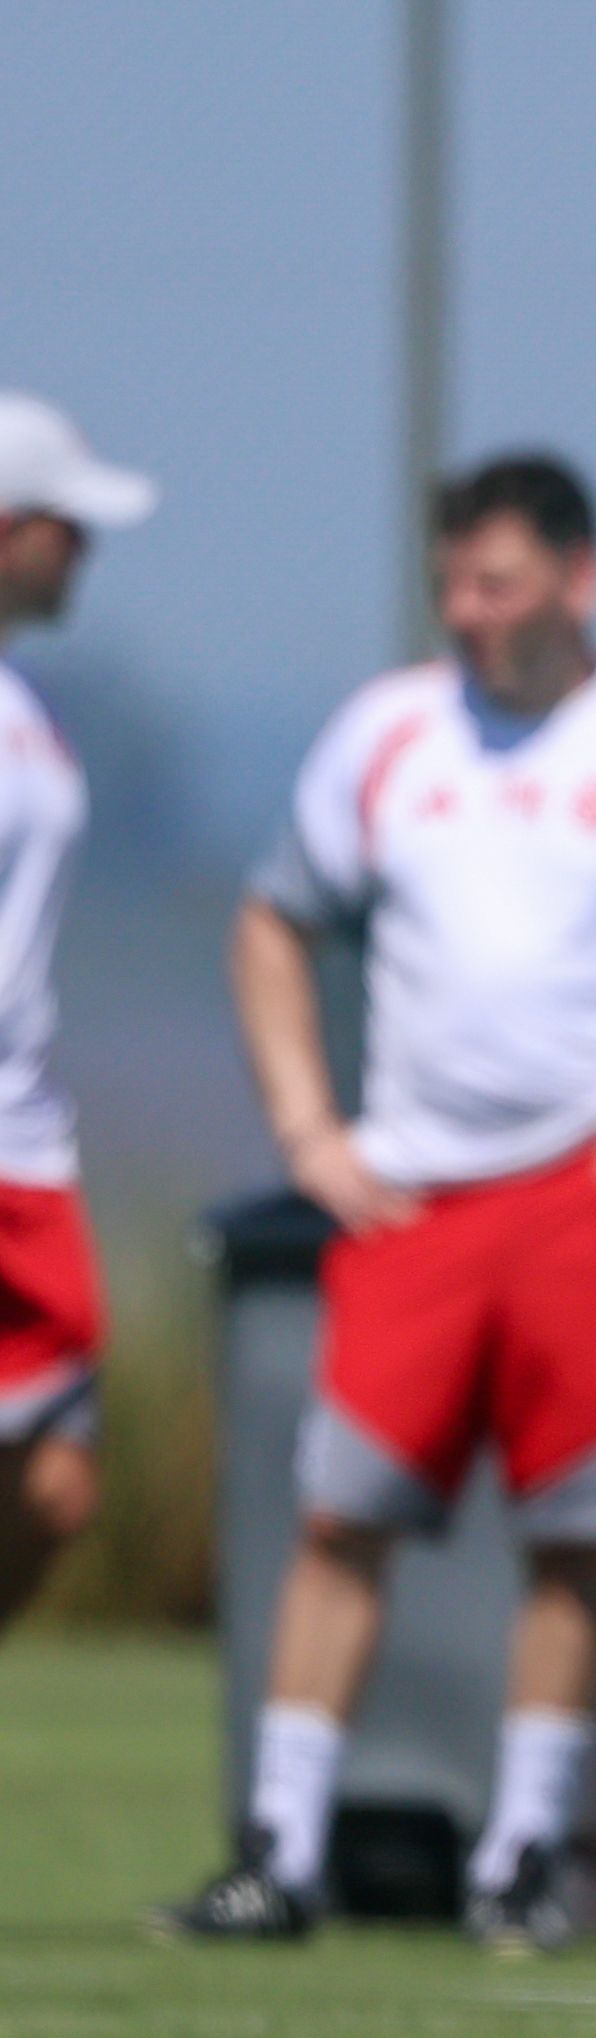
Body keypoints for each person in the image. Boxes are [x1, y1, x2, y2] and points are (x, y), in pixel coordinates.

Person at [155, 453, 596, 1953]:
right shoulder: (389, 735)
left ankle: (525, 1858)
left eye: (499, 583)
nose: (473, 615)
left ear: (576, 579)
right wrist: (309, 1127)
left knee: (577, 1534)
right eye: (453, 588)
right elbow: (274, 922)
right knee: (343, 1513)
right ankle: (277, 1852)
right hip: (411, 1190)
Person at [0, 395, 155, 1631]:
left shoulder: (25, 706)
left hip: (24, 1143)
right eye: (66, 526)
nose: (85, 551)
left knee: (56, 1490)